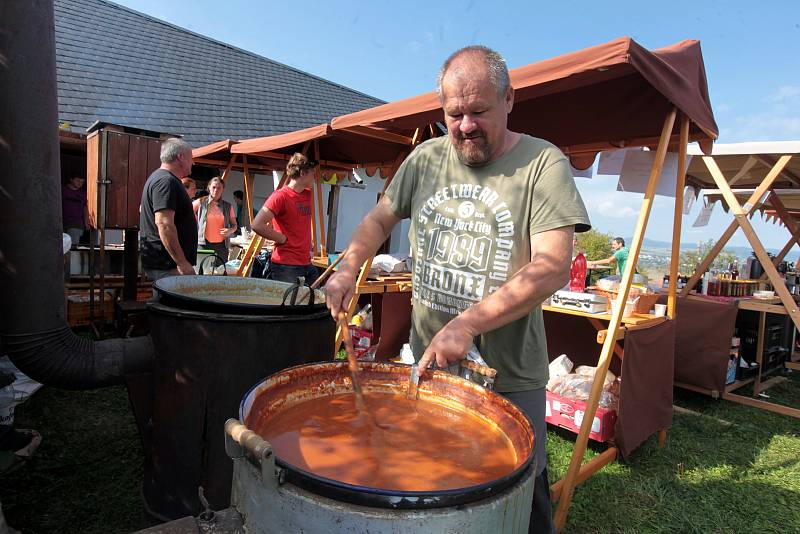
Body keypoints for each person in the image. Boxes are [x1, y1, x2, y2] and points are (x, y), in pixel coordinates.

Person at [324, 46, 590, 533]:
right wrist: (347, 268)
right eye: (454, 114)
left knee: (521, 493)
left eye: (479, 112)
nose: (466, 125)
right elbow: (380, 217)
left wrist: (466, 323)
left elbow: (552, 267)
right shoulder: (424, 159)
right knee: (435, 478)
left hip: (510, 375)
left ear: (510, 99)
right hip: (432, 366)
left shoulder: (541, 164)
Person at [251, 153, 319, 284]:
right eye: (312, 173)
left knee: (315, 301)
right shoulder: (280, 196)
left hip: (305, 262)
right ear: (302, 173)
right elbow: (257, 224)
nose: (315, 177)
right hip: (285, 264)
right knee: (289, 304)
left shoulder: (308, 194)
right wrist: (281, 238)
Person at [139, 138, 197, 281]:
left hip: (168, 264)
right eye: (191, 158)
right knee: (171, 303)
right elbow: (164, 224)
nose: (193, 163)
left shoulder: (162, 179)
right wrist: (182, 262)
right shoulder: (166, 181)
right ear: (181, 157)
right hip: (168, 265)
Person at [193, 177, 237, 271]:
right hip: (203, 244)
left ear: (223, 189)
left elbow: (234, 225)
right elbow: (185, 214)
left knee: (220, 273)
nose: (216, 190)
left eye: (219, 188)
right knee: (201, 272)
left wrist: (230, 230)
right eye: (213, 187)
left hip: (221, 246)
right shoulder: (201, 202)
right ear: (209, 188)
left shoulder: (228, 206)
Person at [61, 175, 88, 247]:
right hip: (61, 222)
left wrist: (86, 222)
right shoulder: (62, 190)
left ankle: (70, 258)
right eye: (78, 181)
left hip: (76, 223)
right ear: (71, 179)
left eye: (82, 182)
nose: (80, 183)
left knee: (72, 246)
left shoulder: (84, 193)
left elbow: (85, 208)